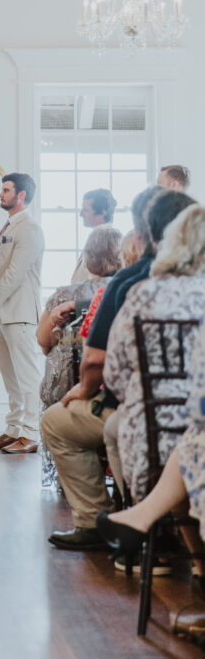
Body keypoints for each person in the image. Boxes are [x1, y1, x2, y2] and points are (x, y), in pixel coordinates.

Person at [43, 187, 195, 551]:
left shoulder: (131, 285)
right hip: (195, 411)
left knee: (56, 421)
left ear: (142, 234)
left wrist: (83, 389)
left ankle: (102, 521)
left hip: (144, 411)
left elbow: (97, 361)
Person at [104, 204, 205, 503]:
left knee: (113, 427)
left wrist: (138, 397)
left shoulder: (143, 293)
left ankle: (136, 515)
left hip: (150, 427)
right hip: (197, 421)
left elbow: (114, 372)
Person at [96, 319, 205, 596]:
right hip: (183, 427)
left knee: (184, 445)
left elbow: (110, 371)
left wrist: (132, 399)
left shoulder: (136, 292)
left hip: (155, 422)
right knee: (186, 447)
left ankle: (142, 521)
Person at [37, 226, 122, 486]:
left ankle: (74, 480)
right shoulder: (127, 290)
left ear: (88, 258)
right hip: (114, 386)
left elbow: (43, 342)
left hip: (65, 388)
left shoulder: (64, 294)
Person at [0, 173, 44, 455]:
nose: (0, 194)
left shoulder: (29, 228)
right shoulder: (9, 226)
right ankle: (14, 429)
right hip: (0, 313)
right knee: (11, 377)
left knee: (27, 376)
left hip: (18, 312)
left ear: (21, 195)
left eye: (6, 190)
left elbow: (15, 273)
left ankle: (31, 432)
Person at [72, 189, 117, 283]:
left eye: (85, 210)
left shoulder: (106, 242)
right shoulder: (95, 237)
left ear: (102, 213)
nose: (80, 214)